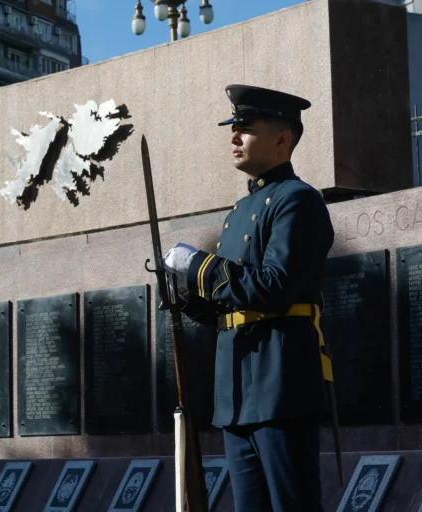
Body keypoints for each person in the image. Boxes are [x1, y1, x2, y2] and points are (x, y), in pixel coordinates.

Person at [163, 84, 335, 511]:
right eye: (232, 128)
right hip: (237, 388)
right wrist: (185, 295)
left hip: (280, 382)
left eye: (245, 128)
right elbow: (233, 304)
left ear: (282, 138)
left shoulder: (298, 201)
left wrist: (200, 267)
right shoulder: (240, 211)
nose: (233, 137)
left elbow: (273, 287)